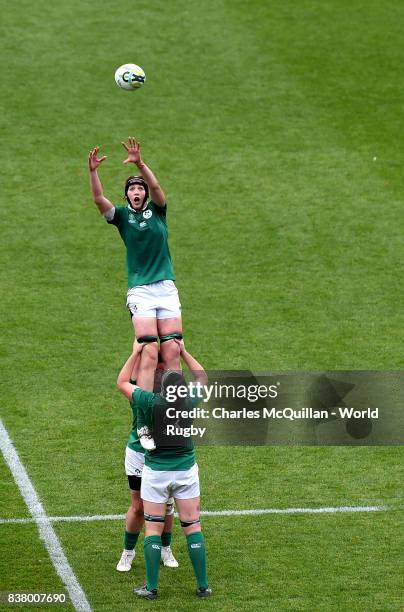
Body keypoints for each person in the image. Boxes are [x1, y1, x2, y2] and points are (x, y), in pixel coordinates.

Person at [117, 339, 212, 600]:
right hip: (185, 471)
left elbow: (122, 382)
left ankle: (152, 587)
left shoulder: (149, 402)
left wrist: (135, 352)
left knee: (153, 528)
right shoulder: (188, 401)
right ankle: (203, 586)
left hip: (156, 472)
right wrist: (183, 351)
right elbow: (203, 379)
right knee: (193, 525)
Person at [88, 137, 183, 393]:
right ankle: (144, 416)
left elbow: (157, 185)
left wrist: (140, 164)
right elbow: (98, 198)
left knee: (173, 349)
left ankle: (174, 410)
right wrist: (93, 172)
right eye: (132, 189)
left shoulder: (158, 210)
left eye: (140, 188)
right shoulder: (121, 216)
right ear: (127, 195)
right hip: (141, 290)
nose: (137, 191)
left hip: (165, 287)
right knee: (148, 349)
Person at [116, 341, 178, 572]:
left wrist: (179, 348)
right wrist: (135, 351)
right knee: (139, 507)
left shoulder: (172, 390)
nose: (160, 371)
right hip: (138, 454)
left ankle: (165, 548)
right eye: (155, 367)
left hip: (165, 452)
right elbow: (124, 380)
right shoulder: (139, 390)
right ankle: (127, 553)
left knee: (168, 505)